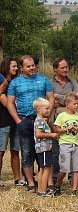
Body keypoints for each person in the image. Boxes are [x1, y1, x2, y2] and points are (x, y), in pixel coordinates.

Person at [6, 55, 55, 189]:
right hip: (25, 120)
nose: (32, 68)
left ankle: (48, 183)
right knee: (27, 151)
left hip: (41, 120)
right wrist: (17, 120)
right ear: (22, 68)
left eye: (33, 65)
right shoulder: (15, 83)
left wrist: (47, 115)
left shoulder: (43, 79)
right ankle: (31, 183)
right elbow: (10, 102)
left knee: (45, 150)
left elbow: (51, 98)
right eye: (28, 66)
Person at [50, 58, 78, 184]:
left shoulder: (72, 81)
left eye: (66, 67)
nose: (65, 69)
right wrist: (69, 99)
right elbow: (50, 99)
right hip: (56, 120)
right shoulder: (50, 83)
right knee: (56, 150)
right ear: (55, 69)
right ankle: (56, 176)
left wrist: (59, 97)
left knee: (72, 147)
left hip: (72, 121)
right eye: (62, 67)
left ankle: (70, 176)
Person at [54, 92, 78, 194]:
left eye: (77, 104)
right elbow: (56, 129)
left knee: (75, 168)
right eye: (74, 104)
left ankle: (75, 189)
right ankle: (58, 184)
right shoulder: (61, 116)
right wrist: (66, 129)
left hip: (76, 144)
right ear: (67, 104)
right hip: (65, 144)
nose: (76, 106)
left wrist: (77, 128)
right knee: (64, 169)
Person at [0, 58, 23, 186]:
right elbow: (6, 103)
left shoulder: (17, 82)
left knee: (15, 150)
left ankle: (17, 178)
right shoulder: (2, 82)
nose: (16, 68)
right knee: (1, 151)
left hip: (16, 121)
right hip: (3, 122)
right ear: (7, 66)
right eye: (13, 66)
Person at [33, 97, 58, 197]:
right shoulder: (39, 121)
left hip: (43, 148)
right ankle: (42, 191)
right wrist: (51, 135)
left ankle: (41, 190)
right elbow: (38, 134)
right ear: (38, 109)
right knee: (46, 169)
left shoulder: (41, 120)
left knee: (43, 169)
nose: (48, 110)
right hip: (44, 148)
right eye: (46, 108)